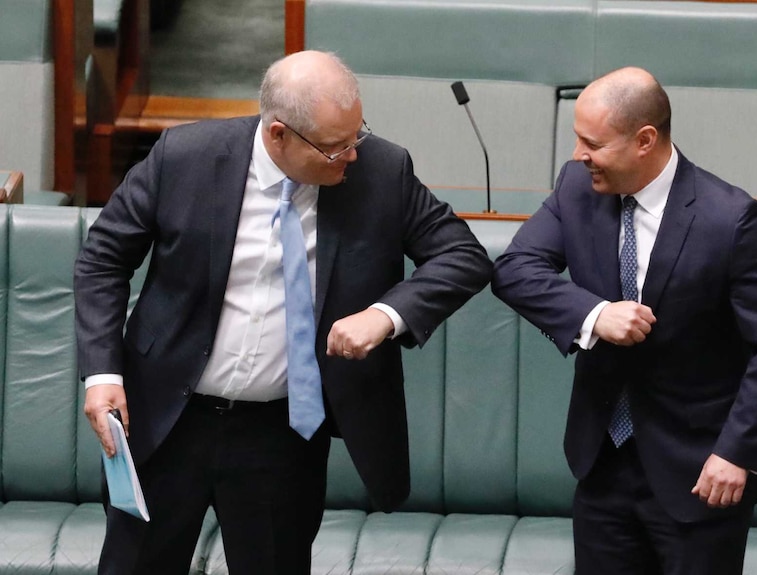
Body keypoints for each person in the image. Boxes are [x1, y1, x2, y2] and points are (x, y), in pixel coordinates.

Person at [75, 50, 492, 574]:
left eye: (357, 134)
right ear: (278, 135)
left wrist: (386, 314)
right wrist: (102, 373)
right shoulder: (186, 156)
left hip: (281, 434)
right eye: (336, 148)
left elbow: (464, 256)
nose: (353, 155)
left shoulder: (382, 172)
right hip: (166, 418)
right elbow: (101, 261)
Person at [492, 67, 757, 575]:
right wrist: (594, 314)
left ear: (645, 140)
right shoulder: (578, 188)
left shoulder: (729, 219)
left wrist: (738, 452)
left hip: (700, 471)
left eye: (591, 142)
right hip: (603, 463)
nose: (578, 155)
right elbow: (514, 271)